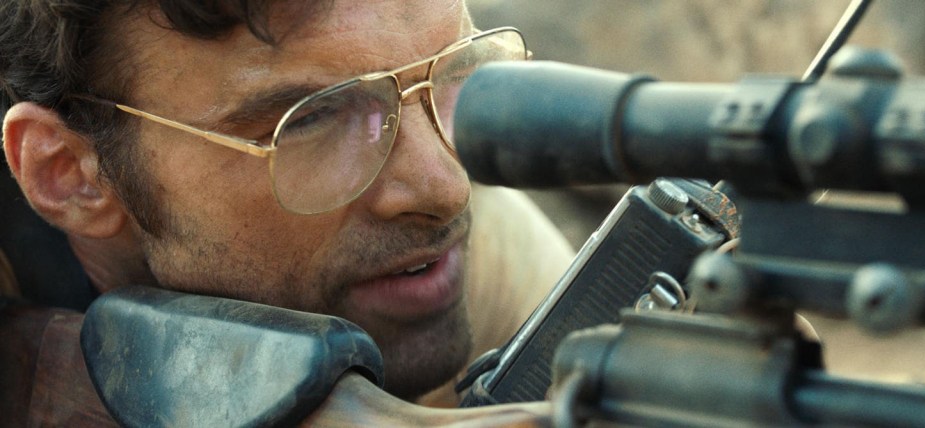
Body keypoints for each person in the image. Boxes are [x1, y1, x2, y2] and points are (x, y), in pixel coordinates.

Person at [0, 0, 574, 421]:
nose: (447, 189)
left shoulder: (477, 256)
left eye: (456, 69)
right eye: (311, 119)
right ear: (69, 175)